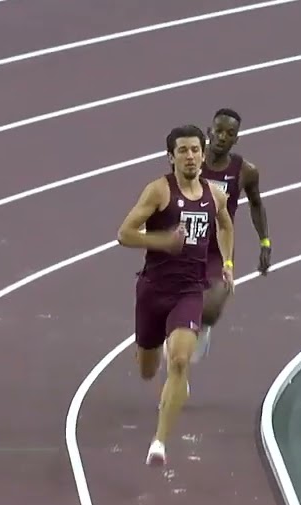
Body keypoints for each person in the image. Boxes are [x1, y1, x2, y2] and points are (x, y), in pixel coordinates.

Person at [117, 124, 235, 465]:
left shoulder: (215, 195)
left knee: (180, 361)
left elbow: (225, 225)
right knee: (147, 369)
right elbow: (124, 233)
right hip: (153, 290)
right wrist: (163, 241)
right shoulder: (159, 191)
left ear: (203, 153)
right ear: (171, 157)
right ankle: (157, 357)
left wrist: (227, 262)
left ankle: (159, 442)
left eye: (195, 149)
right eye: (182, 150)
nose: (190, 156)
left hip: (189, 291)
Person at [191, 107, 272, 363]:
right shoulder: (190, 162)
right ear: (209, 132)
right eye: (219, 131)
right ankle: (178, 369)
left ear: (236, 139)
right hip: (186, 245)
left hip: (219, 250)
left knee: (210, 312)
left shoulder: (245, 171)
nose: (223, 137)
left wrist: (265, 242)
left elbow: (257, 205)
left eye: (230, 133)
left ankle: (201, 329)